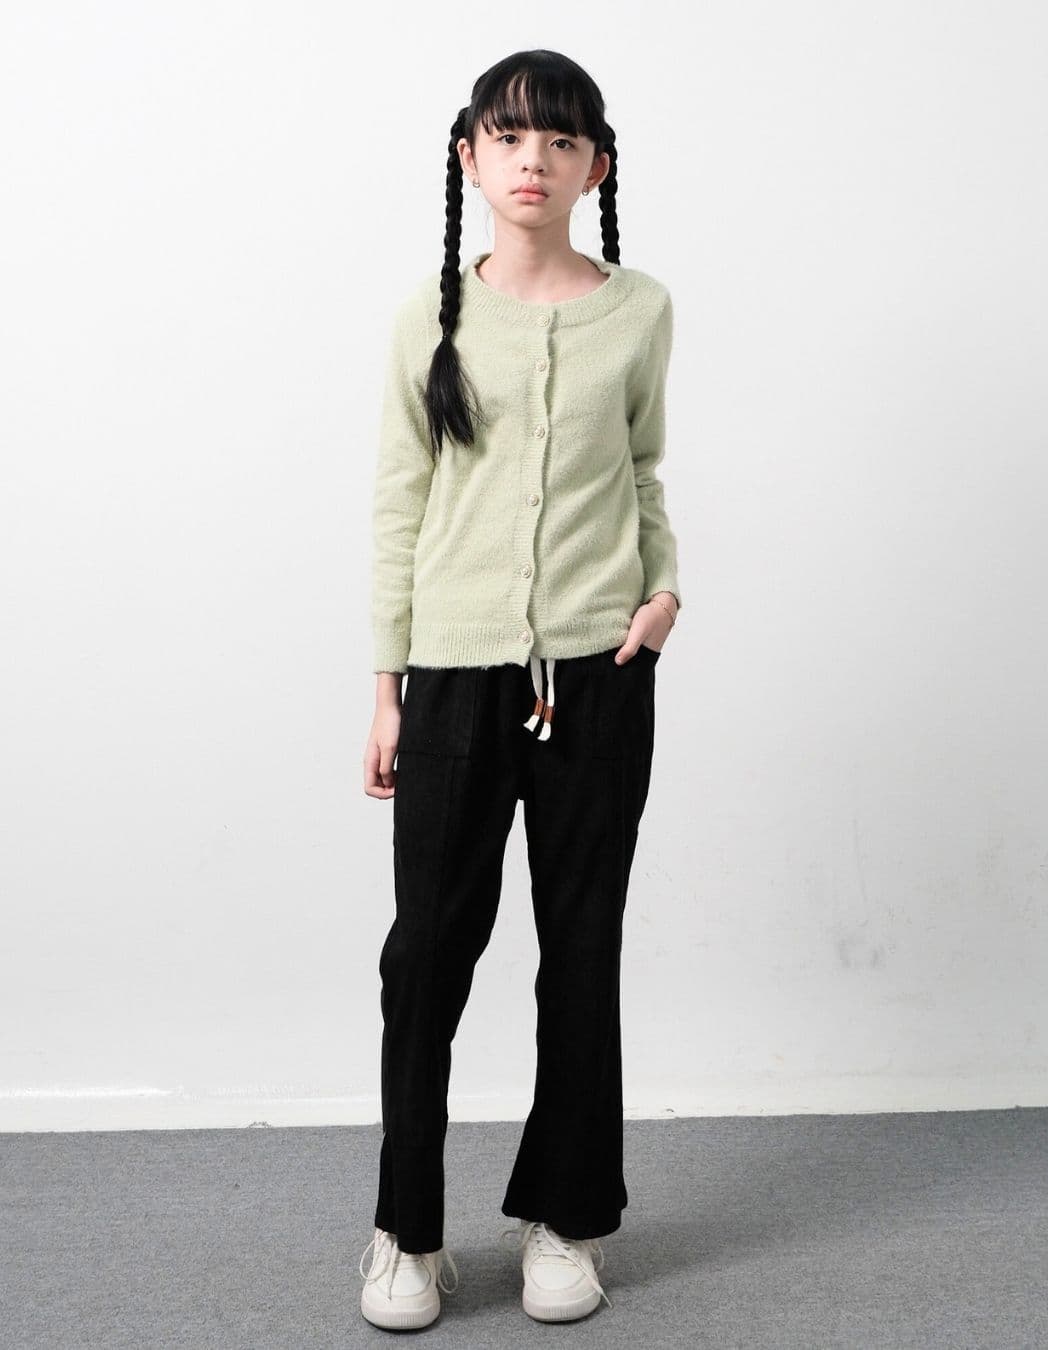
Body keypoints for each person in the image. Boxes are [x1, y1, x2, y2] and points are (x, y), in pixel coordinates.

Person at [359, 48, 683, 1332]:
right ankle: (406, 1232)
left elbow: (642, 471)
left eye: (559, 140)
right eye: (508, 137)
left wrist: (664, 590)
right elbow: (400, 503)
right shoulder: (429, 318)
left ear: (596, 165)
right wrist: (385, 685)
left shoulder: (640, 311)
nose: (532, 161)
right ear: (469, 159)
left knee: (582, 950)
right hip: (452, 675)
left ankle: (566, 1218)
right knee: (426, 955)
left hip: (603, 671)